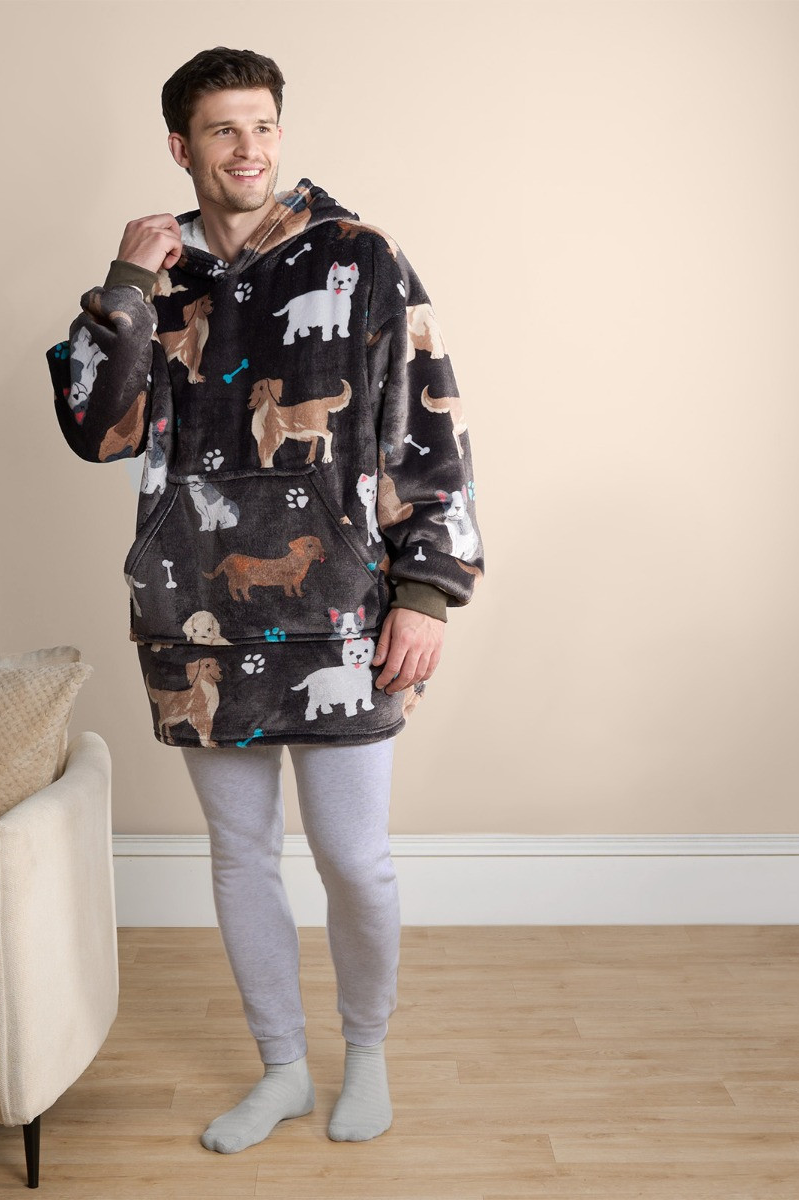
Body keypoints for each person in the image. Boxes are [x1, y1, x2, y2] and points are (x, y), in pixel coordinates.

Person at [46, 46, 483, 1154]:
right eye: (223, 130)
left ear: (280, 134)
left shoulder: (361, 257)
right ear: (181, 146)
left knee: (353, 860)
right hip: (194, 606)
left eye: (263, 126)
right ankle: (283, 1067)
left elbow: (427, 425)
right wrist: (126, 284)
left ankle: (365, 1052)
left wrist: (425, 591)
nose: (248, 150)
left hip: (343, 607)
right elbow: (96, 429)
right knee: (241, 855)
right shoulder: (153, 281)